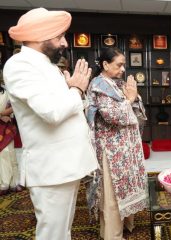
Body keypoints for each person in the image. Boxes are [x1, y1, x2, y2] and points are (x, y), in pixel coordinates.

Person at [3, 7, 98, 240]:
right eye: (59, 37)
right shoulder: (20, 66)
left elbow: (65, 106)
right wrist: (76, 89)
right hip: (52, 169)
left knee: (62, 231)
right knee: (53, 234)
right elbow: (53, 112)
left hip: (65, 166)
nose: (65, 42)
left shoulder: (46, 65)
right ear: (39, 37)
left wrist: (73, 90)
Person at [86, 47, 147, 240]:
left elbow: (137, 110)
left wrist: (134, 97)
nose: (123, 69)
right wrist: (129, 100)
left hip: (126, 148)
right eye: (119, 64)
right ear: (105, 64)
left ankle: (127, 223)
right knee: (112, 195)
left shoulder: (117, 83)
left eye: (124, 65)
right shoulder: (98, 85)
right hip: (111, 151)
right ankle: (112, 234)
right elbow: (111, 115)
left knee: (126, 186)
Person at [0, 80, 20, 196]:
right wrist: (1, 115)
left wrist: (3, 114)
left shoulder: (5, 92)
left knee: (9, 153)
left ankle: (13, 183)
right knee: (2, 155)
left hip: (6, 127)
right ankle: (3, 184)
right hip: (3, 123)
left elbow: (15, 105)